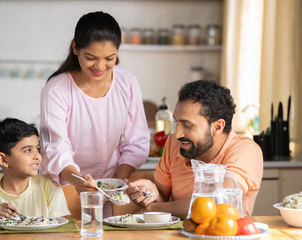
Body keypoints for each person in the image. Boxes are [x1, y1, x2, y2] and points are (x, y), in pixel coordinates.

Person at [39, 11, 150, 193]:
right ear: (75, 48)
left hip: (112, 184)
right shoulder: (56, 90)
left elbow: (137, 141)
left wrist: (118, 182)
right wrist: (79, 181)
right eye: (91, 58)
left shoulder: (127, 82)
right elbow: (56, 149)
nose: (100, 67)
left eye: (109, 58)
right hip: (66, 186)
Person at [126, 80, 263, 218]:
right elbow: (162, 198)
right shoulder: (174, 143)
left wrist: (154, 208)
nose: (177, 134)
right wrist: (151, 193)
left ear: (217, 127)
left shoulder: (246, 150)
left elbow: (218, 202)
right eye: (176, 122)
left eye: (187, 125)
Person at [0, 118, 70, 222]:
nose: (37, 156)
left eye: (37, 149)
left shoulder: (49, 186)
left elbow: (60, 231)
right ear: (3, 159)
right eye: (28, 150)